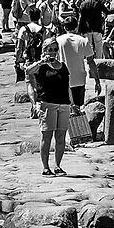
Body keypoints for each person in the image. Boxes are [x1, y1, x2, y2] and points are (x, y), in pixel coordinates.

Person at [28, 36, 75, 176]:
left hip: (63, 104)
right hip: (47, 104)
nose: (53, 52)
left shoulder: (63, 66)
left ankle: (58, 165)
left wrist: (73, 103)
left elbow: (68, 85)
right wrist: (42, 61)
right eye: (50, 49)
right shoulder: (41, 67)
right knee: (46, 136)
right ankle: (45, 167)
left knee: (61, 136)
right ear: (44, 50)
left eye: (55, 49)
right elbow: (28, 71)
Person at [54, 17, 95, 148]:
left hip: (63, 79)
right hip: (80, 77)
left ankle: (67, 137)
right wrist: (98, 80)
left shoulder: (58, 40)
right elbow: (91, 61)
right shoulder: (84, 40)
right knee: (79, 107)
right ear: (76, 27)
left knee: (66, 108)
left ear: (64, 27)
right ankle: (80, 135)